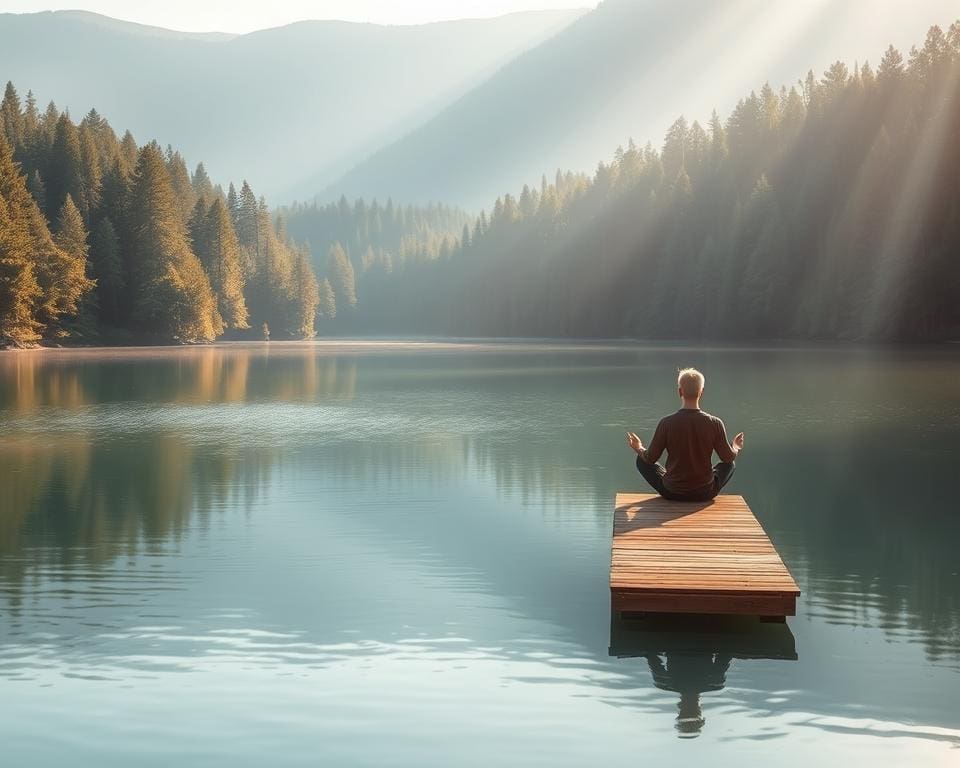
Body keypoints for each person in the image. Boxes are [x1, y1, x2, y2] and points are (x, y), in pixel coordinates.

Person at [626, 368, 743, 502]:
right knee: (730, 464)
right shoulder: (715, 423)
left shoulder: (666, 423)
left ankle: (674, 482)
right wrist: (735, 447)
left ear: (679, 391)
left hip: (672, 492)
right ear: (702, 392)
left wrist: (638, 447)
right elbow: (728, 458)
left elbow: (650, 458)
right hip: (705, 492)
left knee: (641, 460)